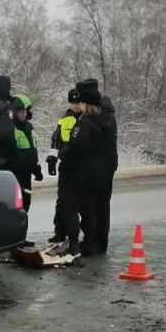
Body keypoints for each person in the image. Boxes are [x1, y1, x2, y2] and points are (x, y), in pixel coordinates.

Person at [57, 90, 107, 256]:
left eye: (81, 102)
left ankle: (73, 245)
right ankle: (89, 243)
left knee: (70, 207)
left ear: (86, 104)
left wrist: (64, 161)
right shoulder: (103, 121)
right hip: (94, 173)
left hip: (77, 173)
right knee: (88, 209)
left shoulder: (83, 123)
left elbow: (75, 149)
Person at [76, 78, 117, 254]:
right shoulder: (108, 114)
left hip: (91, 167)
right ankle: (101, 241)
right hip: (107, 165)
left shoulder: (88, 119)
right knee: (102, 204)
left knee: (89, 205)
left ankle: (90, 242)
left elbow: (80, 146)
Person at [46, 90, 80, 243]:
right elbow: (56, 141)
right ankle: (60, 231)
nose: (76, 106)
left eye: (78, 103)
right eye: (73, 103)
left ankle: (77, 234)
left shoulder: (86, 119)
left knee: (79, 201)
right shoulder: (64, 120)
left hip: (80, 164)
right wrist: (52, 159)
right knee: (62, 199)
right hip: (66, 163)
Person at [9, 94, 43, 212]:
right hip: (16, 174)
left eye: (25, 111)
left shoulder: (29, 128)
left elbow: (32, 152)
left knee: (26, 205)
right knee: (18, 207)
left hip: (27, 173)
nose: (23, 114)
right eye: (20, 111)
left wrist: (36, 170)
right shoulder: (11, 129)